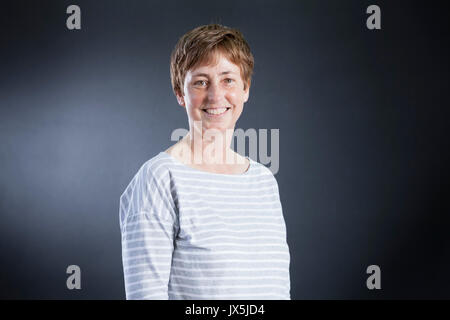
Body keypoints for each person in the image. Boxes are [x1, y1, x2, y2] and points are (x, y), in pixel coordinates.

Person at [119, 24, 290, 299]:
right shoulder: (159, 179)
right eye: (200, 82)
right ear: (180, 93)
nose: (215, 96)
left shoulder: (263, 181)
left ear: (245, 89)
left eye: (228, 80)